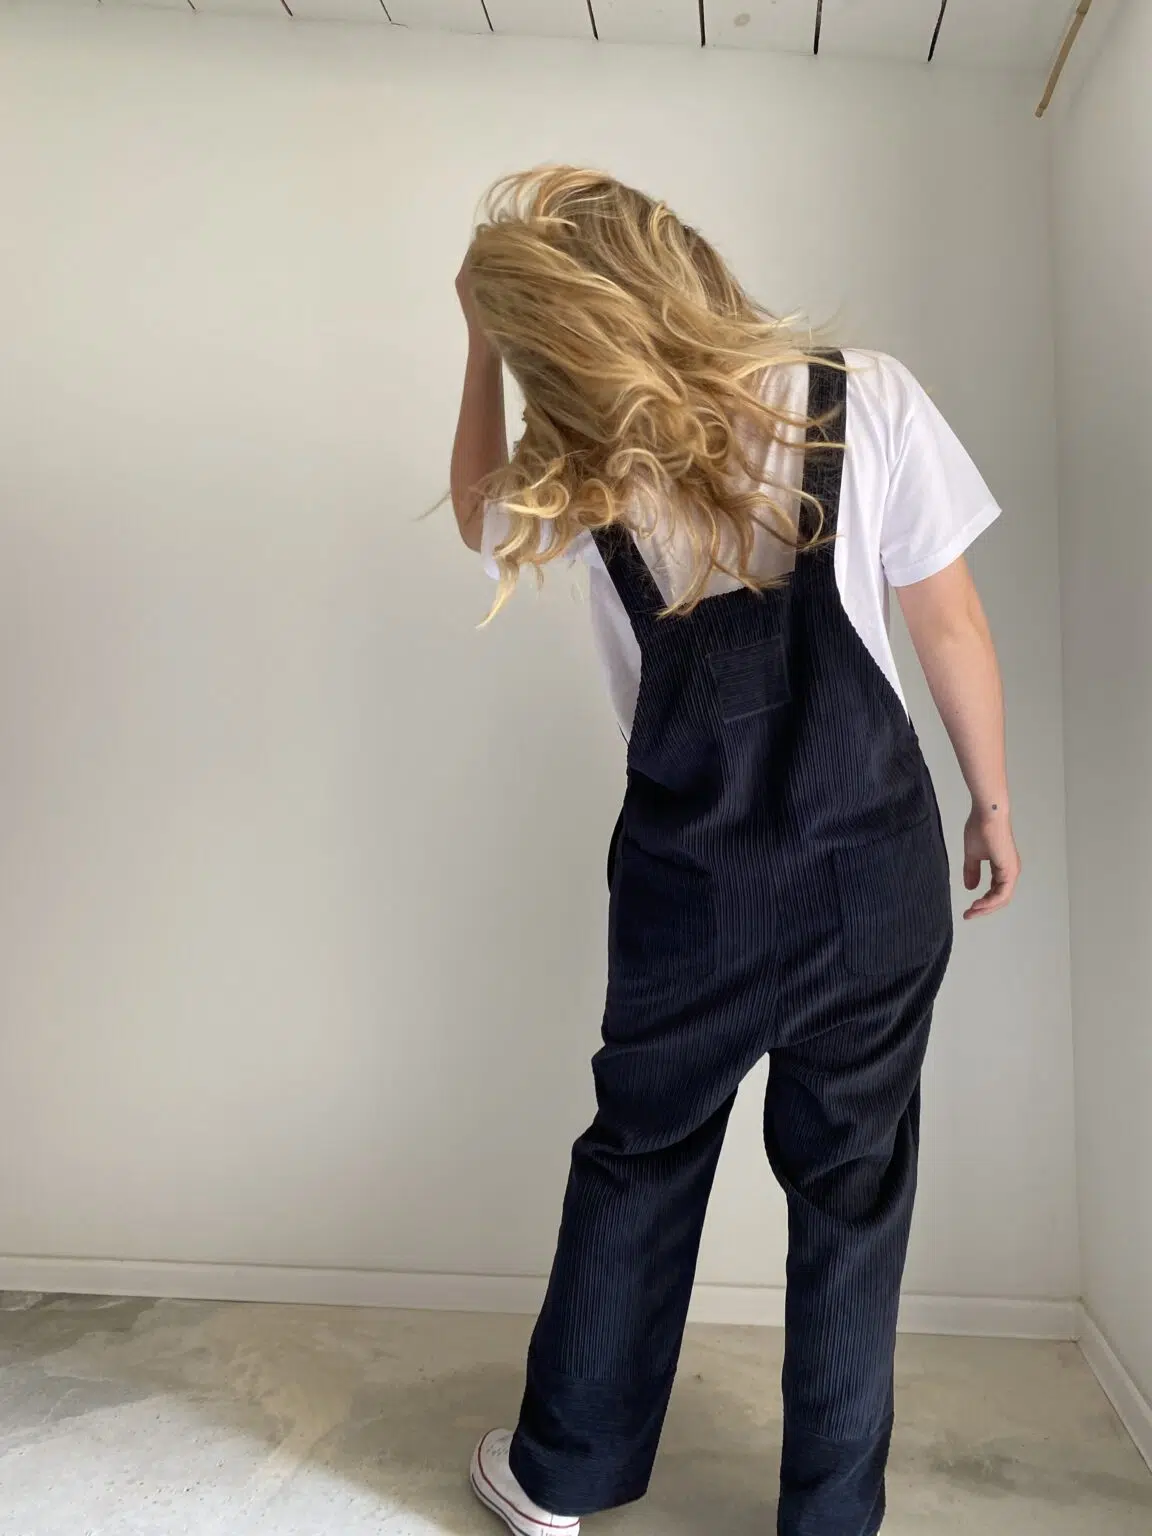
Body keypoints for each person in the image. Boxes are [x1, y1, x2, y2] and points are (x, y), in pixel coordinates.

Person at [449, 167, 1020, 1536]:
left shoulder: (584, 464)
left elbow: (474, 513)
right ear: (686, 258)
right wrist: (991, 803)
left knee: (641, 1159)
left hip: (691, 892)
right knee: (855, 1192)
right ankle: (830, 1518)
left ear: (554, 334)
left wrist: (478, 342)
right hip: (873, 876)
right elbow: (949, 624)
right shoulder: (864, 394)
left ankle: (558, 1477)